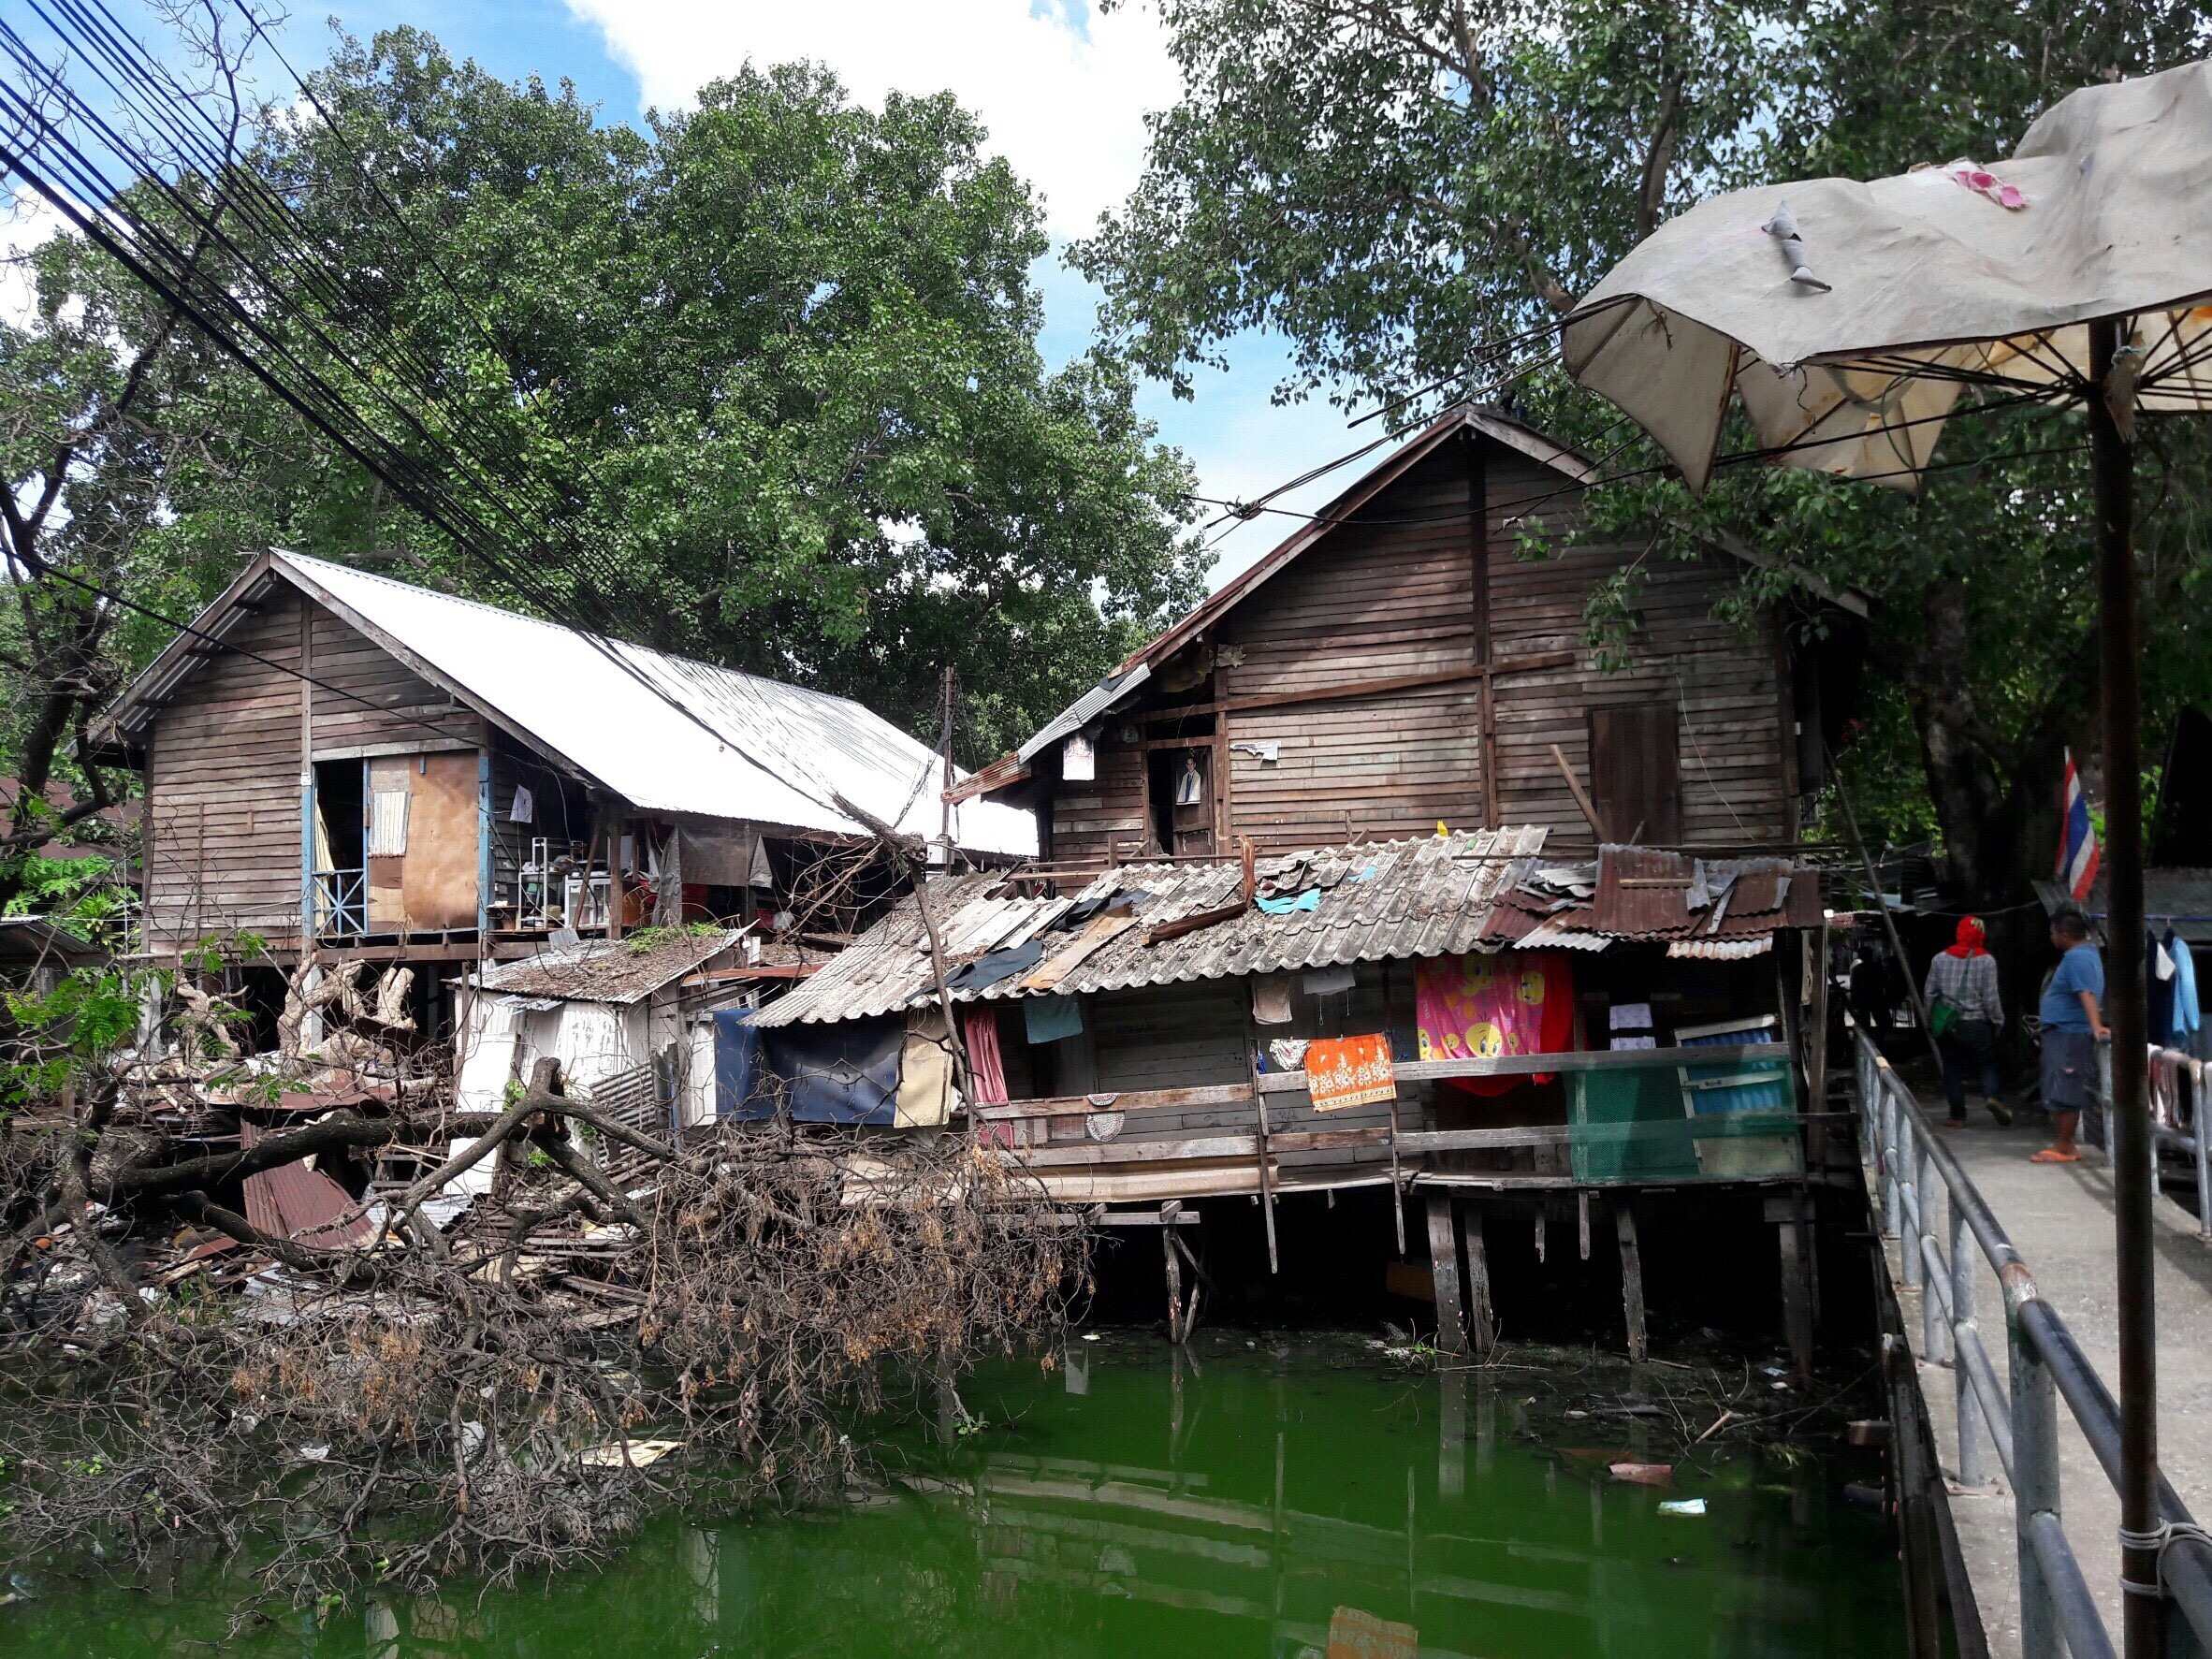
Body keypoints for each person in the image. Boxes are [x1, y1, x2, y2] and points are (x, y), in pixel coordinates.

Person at [2035, 910, 2108, 1164]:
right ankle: (2063, 1142)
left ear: (2064, 933)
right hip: (2062, 1031)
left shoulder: (2078, 958)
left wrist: (2096, 1025)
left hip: (2069, 1032)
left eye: (2053, 932)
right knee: (2058, 1084)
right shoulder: (2084, 955)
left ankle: (2066, 1145)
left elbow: (2085, 992)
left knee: (2065, 1086)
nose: (2051, 937)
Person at [1925, 916, 2009, 1128]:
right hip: (1977, 1024)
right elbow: (1991, 997)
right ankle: (1991, 1096)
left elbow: (1930, 993)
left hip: (1949, 1025)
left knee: (1952, 1068)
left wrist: (1929, 1021)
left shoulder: (1939, 959)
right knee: (1987, 1064)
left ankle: (1957, 1116)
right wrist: (1998, 1021)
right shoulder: (1987, 961)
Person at [1848, 943, 1891, 1034]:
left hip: (1868, 1000)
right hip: (1873, 999)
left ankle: (1871, 1034)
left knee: (1867, 1022)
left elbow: (1854, 986)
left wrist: (1854, 1001)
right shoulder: (1876, 968)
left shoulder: (1859, 969)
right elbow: (1884, 982)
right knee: (1877, 1021)